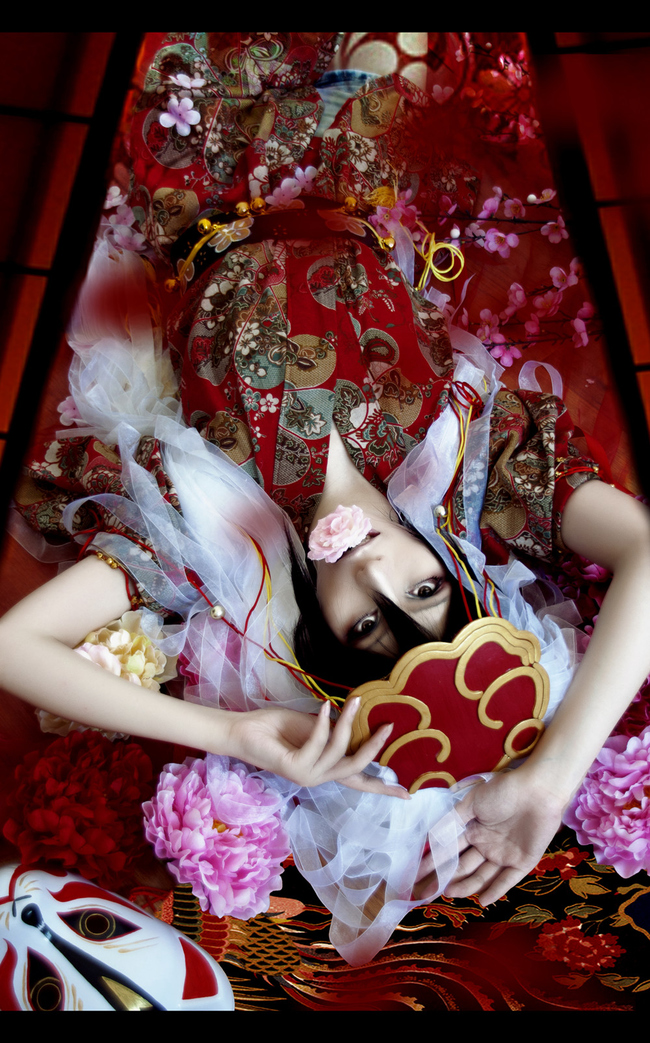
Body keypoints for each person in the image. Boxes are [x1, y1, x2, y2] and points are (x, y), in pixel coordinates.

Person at [2, 32, 650, 965]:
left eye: (366, 627)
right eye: (424, 591)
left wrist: (236, 733)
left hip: (202, 172)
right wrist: (551, 776)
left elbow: (11, 644)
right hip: (361, 159)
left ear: (320, 635)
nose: (376, 576)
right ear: (455, 566)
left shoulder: (210, 531)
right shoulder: (478, 461)